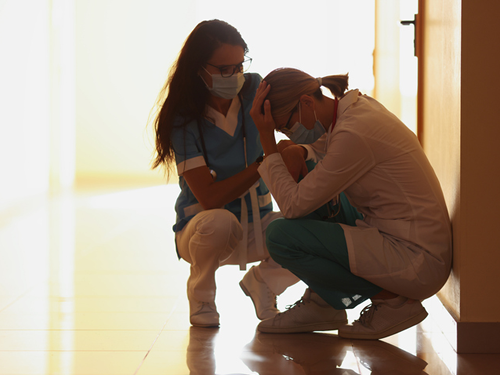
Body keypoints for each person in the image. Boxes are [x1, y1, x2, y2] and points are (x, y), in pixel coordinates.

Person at [249, 68, 452, 339]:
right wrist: (295, 149)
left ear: (306, 103)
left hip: (416, 259)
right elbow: (324, 149)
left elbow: (292, 206)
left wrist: (266, 140)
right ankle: (323, 304)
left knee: (280, 235)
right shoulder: (355, 111)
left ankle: (393, 303)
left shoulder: (354, 131)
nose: (287, 133)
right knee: (308, 176)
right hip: (401, 237)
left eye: (286, 126)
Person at [151, 21, 299, 328]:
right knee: (218, 221)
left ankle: (264, 284)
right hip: (202, 231)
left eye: (239, 66)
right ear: (198, 68)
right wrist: (266, 161)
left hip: (257, 225)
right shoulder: (182, 118)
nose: (234, 76)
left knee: (311, 231)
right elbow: (210, 197)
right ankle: (202, 297)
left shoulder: (256, 91)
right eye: (223, 69)